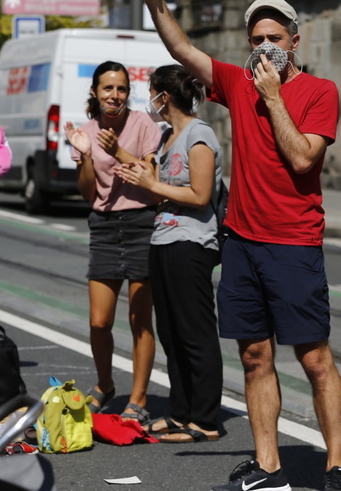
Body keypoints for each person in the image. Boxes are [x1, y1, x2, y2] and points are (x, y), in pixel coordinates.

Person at [134, 0, 341, 491]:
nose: (265, 48)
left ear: (294, 42)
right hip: (243, 244)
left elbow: (302, 160)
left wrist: (273, 96)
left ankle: (337, 465)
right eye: (256, 40)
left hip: (294, 243)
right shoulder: (235, 81)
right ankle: (267, 464)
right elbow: (182, 48)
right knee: (254, 357)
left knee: (315, 357)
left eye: (275, 39)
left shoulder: (319, 92)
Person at [118, 64, 224, 443]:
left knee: (195, 332)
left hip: (191, 242)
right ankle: (180, 412)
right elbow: (160, 188)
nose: (150, 100)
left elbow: (199, 194)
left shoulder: (199, 135)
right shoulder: (166, 136)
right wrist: (144, 178)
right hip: (162, 239)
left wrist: (153, 183)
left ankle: (206, 419)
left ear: (165, 96)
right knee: (171, 332)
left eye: (152, 92)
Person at [63, 61, 161, 423]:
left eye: (121, 89)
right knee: (99, 322)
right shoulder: (86, 131)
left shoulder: (143, 125)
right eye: (107, 88)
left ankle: (139, 397)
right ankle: (105, 385)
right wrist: (87, 154)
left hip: (142, 223)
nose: (114, 95)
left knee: (140, 319)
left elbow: (151, 175)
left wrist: (119, 150)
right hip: (104, 225)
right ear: (95, 92)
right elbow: (88, 191)